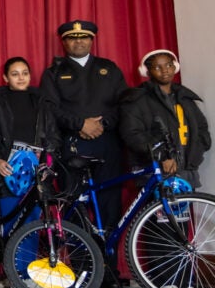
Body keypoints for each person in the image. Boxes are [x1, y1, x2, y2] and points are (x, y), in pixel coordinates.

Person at [39, 21, 127, 240]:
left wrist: (102, 124)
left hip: (107, 144)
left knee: (109, 204)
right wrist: (80, 124)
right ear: (64, 41)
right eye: (72, 37)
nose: (78, 41)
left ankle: (110, 269)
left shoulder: (109, 68)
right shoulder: (54, 73)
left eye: (84, 37)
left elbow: (124, 104)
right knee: (74, 207)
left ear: (92, 40)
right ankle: (83, 270)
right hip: (72, 145)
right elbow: (49, 108)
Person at [0, 57, 60, 222]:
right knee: (9, 225)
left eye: (25, 73)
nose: (21, 78)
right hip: (6, 173)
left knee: (32, 226)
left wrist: (47, 164)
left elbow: (53, 137)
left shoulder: (42, 103)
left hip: (34, 174)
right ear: (6, 78)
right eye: (15, 74)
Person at [119, 49, 210, 189]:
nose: (164, 70)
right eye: (157, 67)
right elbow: (132, 135)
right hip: (156, 169)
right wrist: (160, 157)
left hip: (186, 169)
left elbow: (202, 128)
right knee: (160, 211)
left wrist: (195, 155)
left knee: (184, 210)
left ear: (175, 67)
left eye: (168, 65)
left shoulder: (184, 97)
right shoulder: (137, 99)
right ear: (147, 72)